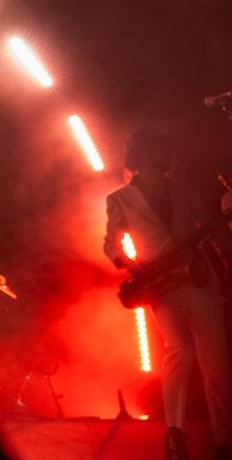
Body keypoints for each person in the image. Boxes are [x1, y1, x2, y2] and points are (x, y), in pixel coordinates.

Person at [103, 127, 232, 460]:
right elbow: (110, 244)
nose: (171, 156)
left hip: (200, 280)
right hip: (162, 285)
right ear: (145, 154)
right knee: (180, 349)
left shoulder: (186, 193)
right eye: (165, 150)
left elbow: (213, 230)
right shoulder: (118, 199)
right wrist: (130, 266)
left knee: (216, 363)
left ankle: (225, 441)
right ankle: (174, 434)